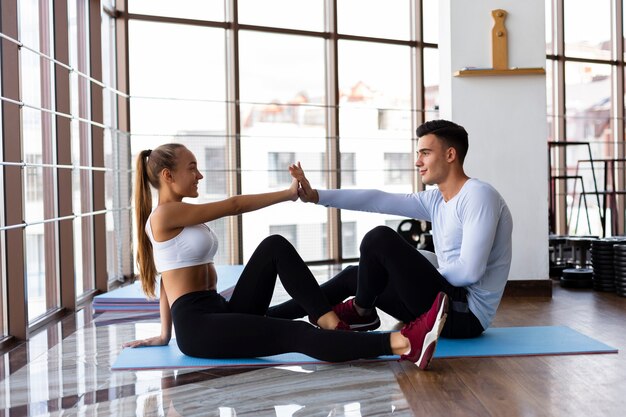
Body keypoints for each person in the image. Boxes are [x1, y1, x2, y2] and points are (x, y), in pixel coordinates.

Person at [122, 143, 449, 370]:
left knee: (275, 246)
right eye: (192, 168)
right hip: (199, 327)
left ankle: (327, 316)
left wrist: (164, 334)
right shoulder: (165, 215)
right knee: (298, 335)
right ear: (167, 175)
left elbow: (167, 275)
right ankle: (404, 344)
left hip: (220, 309)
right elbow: (235, 205)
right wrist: (287, 194)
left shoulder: (177, 215)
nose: (199, 175)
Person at [268, 119, 513, 339]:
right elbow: (377, 199)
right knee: (358, 273)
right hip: (436, 306)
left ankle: (362, 311)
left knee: (380, 238)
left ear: (450, 154)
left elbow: (470, 272)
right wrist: (315, 196)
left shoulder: (478, 196)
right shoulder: (437, 200)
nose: (418, 161)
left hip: (463, 316)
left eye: (425, 153)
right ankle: (268, 317)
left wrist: (412, 272)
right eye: (419, 153)